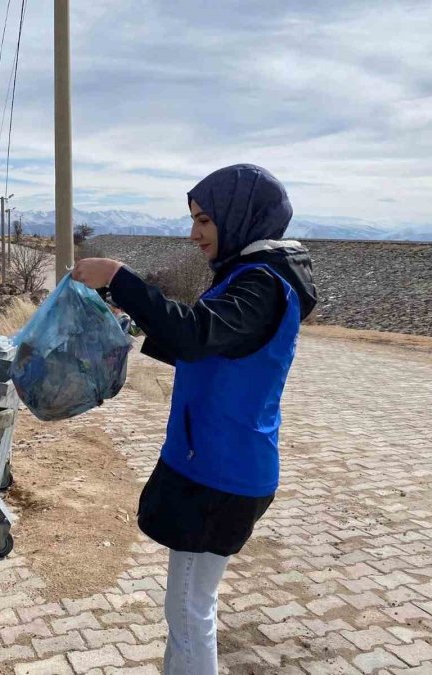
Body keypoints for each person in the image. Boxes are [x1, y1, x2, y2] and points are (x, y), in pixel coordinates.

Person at [72, 164, 317, 675]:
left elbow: (197, 333)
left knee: (189, 609)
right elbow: (206, 347)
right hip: (216, 462)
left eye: (204, 220)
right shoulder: (254, 277)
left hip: (221, 471)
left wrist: (119, 278)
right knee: (186, 608)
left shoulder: (261, 284)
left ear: (241, 216)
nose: (194, 233)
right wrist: (132, 325)